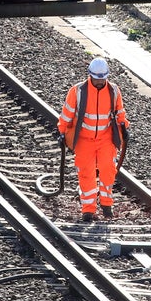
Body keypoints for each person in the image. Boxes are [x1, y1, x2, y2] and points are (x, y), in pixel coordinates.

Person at [56, 57, 130, 222]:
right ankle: (88, 210)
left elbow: (119, 112)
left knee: (108, 170)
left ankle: (106, 205)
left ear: (106, 77)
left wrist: (124, 127)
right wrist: (61, 131)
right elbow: (67, 113)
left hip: (106, 138)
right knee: (86, 174)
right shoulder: (78, 91)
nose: (99, 82)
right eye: (96, 79)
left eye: (102, 79)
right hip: (84, 140)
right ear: (90, 76)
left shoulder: (114, 91)